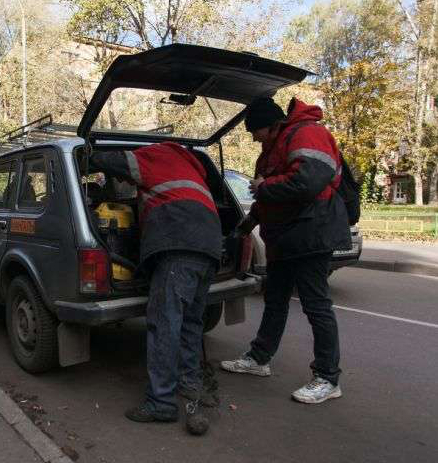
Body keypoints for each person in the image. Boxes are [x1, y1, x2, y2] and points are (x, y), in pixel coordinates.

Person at [220, 97, 351, 404]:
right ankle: (259, 358)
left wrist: (263, 186)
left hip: (312, 234)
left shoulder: (308, 133)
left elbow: (308, 183)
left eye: (255, 131)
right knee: (275, 301)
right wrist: (242, 228)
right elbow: (267, 200)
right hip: (285, 238)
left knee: (316, 305)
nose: (253, 137)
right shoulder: (269, 151)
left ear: (272, 123)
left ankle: (328, 378)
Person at [89, 142, 222, 435]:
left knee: (165, 324)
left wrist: (89, 153)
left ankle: (161, 402)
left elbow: (107, 160)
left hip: (178, 245)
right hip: (210, 249)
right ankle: (191, 389)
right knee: (190, 323)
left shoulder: (154, 155)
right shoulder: (190, 167)